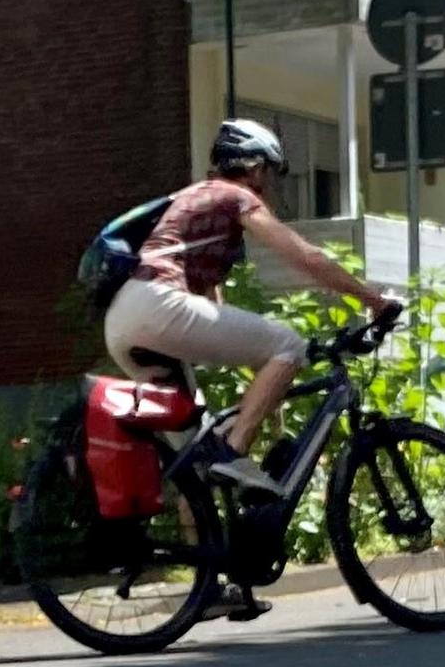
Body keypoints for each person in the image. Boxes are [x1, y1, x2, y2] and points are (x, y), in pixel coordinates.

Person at [105, 120, 396, 498]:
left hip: (125, 317)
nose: (270, 183)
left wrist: (265, 389)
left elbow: (216, 315)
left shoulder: (193, 201)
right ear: (256, 166)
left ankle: (207, 552)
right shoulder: (236, 196)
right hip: (161, 303)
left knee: (195, 467)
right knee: (288, 344)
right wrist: (374, 301)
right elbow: (304, 256)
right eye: (270, 172)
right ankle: (234, 450)